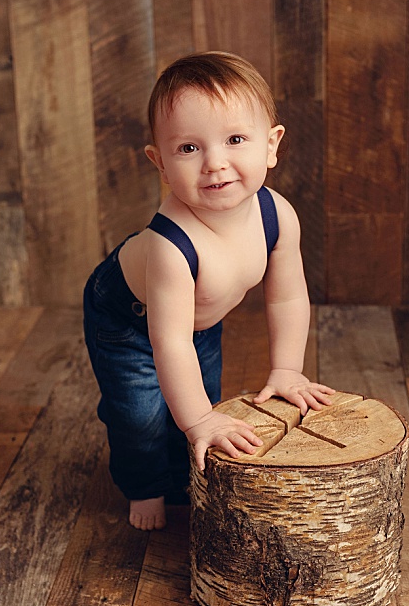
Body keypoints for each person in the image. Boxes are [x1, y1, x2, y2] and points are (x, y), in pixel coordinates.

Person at [83, 49, 334, 529]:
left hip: (194, 320)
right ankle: (145, 485)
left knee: (204, 398)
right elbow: (168, 342)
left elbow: (286, 296)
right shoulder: (170, 245)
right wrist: (197, 419)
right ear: (159, 161)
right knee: (142, 414)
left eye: (235, 139)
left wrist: (287, 369)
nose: (214, 164)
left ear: (271, 145)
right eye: (188, 149)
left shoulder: (277, 215)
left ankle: (186, 474)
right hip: (127, 314)